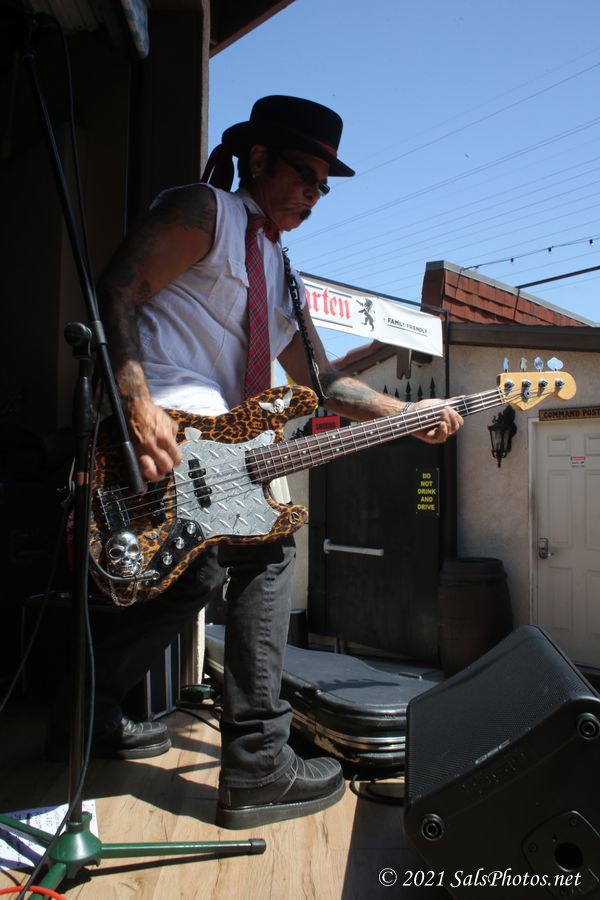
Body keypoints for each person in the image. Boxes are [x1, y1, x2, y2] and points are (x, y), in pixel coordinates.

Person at [51, 96, 463, 829]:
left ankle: (85, 712)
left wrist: (407, 414)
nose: (314, 194)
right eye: (305, 174)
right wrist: (135, 403)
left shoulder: (281, 269)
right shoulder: (204, 210)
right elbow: (116, 289)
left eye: (324, 186)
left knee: (192, 576)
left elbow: (322, 381)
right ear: (261, 158)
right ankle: (258, 764)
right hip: (161, 426)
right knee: (270, 551)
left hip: (223, 447)